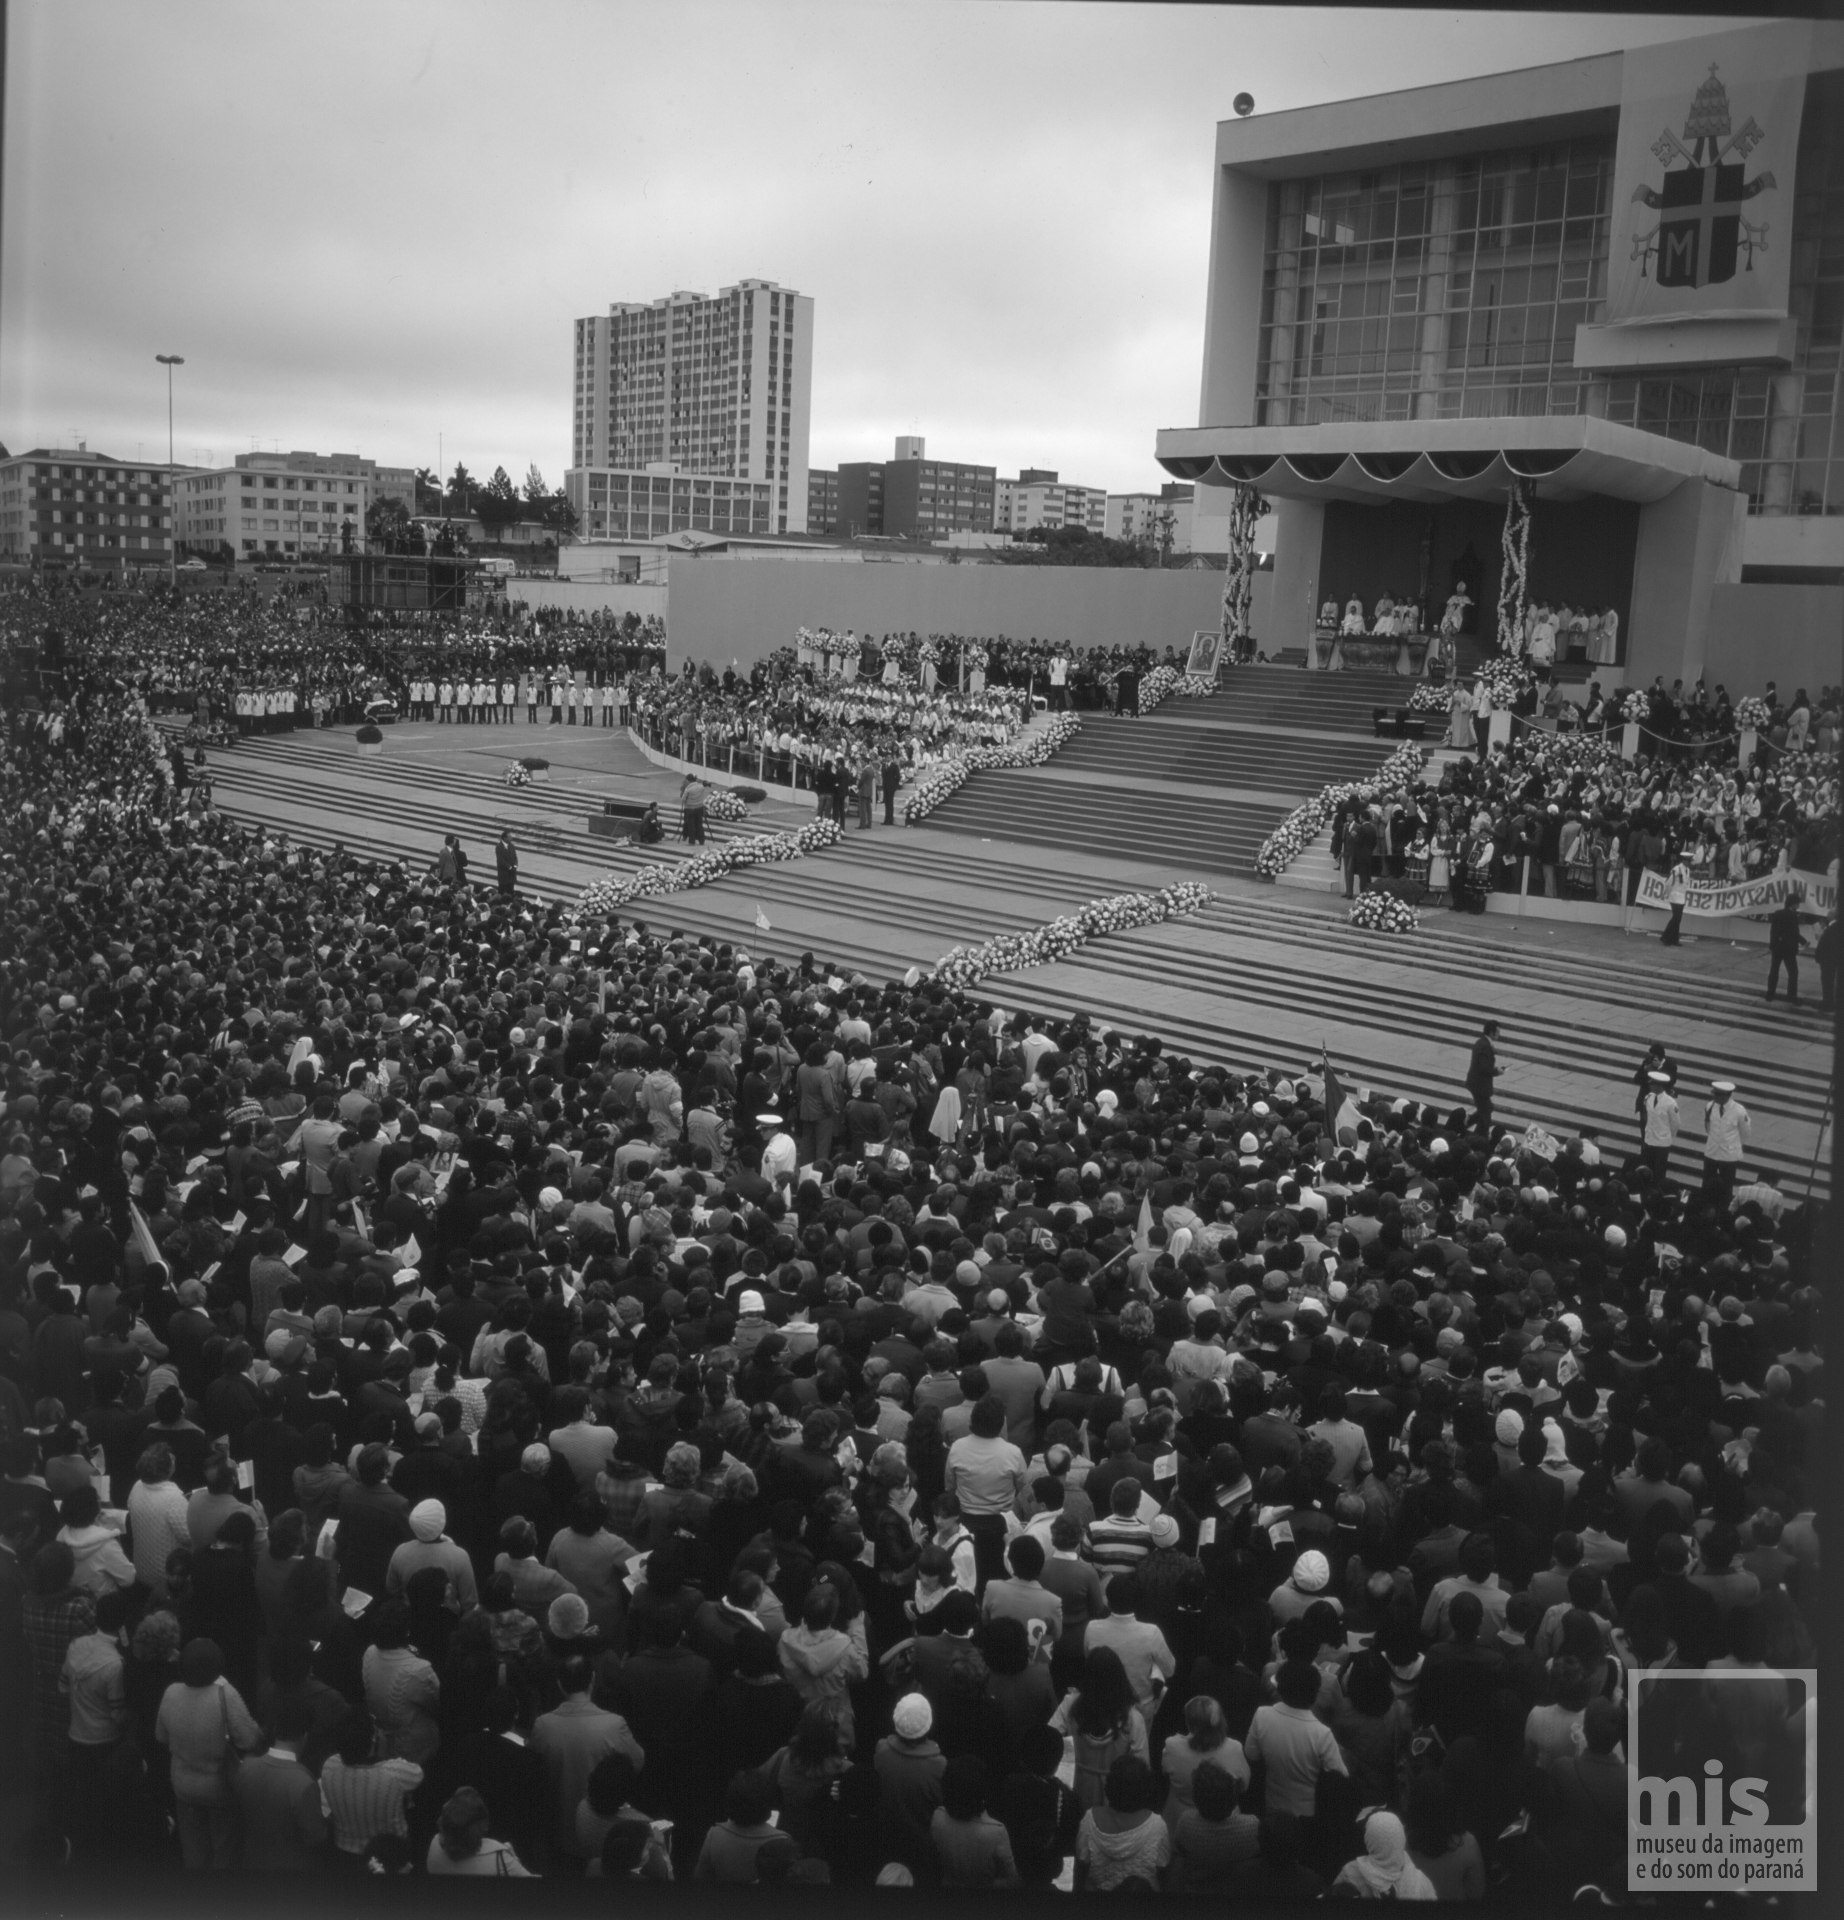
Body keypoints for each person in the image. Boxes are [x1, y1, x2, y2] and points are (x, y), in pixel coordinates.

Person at [1701, 1080, 1750, 1204]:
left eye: (1717, 1095)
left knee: (1726, 1187)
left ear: (1725, 1096)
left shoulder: (1739, 1111)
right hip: (1712, 1151)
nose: (1714, 1097)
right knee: (1707, 1183)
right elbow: (1708, 1127)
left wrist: (1735, 1146)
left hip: (1728, 1155)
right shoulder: (1710, 1106)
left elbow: (1745, 1132)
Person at [1765, 893, 1808, 1003]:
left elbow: (1773, 932)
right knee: (1793, 972)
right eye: (1797, 904)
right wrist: (1804, 942)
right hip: (1788, 949)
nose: (1798, 906)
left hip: (1777, 948)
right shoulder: (1792, 915)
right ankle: (1791, 996)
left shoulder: (1777, 914)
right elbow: (1794, 932)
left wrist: (1772, 945)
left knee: (1774, 970)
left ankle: (1770, 993)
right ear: (1793, 904)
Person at [1467, 1019, 1500, 1136]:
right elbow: (1484, 1068)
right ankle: (1477, 1137)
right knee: (1486, 1115)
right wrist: (1497, 1071)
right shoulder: (1485, 1046)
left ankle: (1465, 1123)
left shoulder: (1481, 1042)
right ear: (1491, 1032)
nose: (1499, 1034)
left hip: (1476, 1084)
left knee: (1487, 1108)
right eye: (1497, 1032)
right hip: (1479, 1086)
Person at [495, 829, 518, 897]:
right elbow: (501, 860)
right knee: (502, 892)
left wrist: (515, 866)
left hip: (511, 874)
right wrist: (510, 867)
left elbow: (515, 858)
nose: (511, 838)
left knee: (511, 891)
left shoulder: (512, 846)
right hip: (504, 874)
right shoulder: (499, 847)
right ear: (505, 838)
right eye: (509, 837)